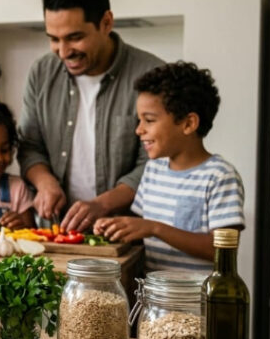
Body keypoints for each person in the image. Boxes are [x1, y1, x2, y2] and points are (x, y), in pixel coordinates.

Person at [18, 0, 164, 233]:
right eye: (53, 39)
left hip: (128, 236)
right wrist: (45, 182)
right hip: (56, 232)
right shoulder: (41, 73)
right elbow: (30, 145)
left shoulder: (152, 75)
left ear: (106, 23)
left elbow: (156, 163)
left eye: (75, 37)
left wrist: (102, 204)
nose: (63, 52)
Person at [93, 62, 244, 272]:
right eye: (139, 120)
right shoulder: (153, 169)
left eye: (149, 120)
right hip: (156, 298)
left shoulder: (220, 176)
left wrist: (155, 228)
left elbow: (221, 251)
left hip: (198, 302)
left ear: (188, 124)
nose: (139, 130)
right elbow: (140, 229)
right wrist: (116, 227)